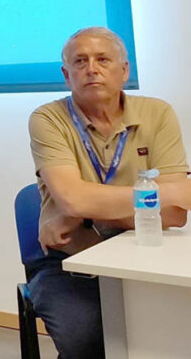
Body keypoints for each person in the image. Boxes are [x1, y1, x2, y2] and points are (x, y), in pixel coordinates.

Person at [28, 27, 191, 358]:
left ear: (124, 70)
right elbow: (73, 199)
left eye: (102, 59)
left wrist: (80, 214)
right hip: (68, 262)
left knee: (172, 328)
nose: (92, 68)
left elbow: (176, 213)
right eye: (80, 61)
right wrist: (162, 193)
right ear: (66, 74)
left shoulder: (157, 113)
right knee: (85, 336)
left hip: (142, 253)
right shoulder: (47, 119)